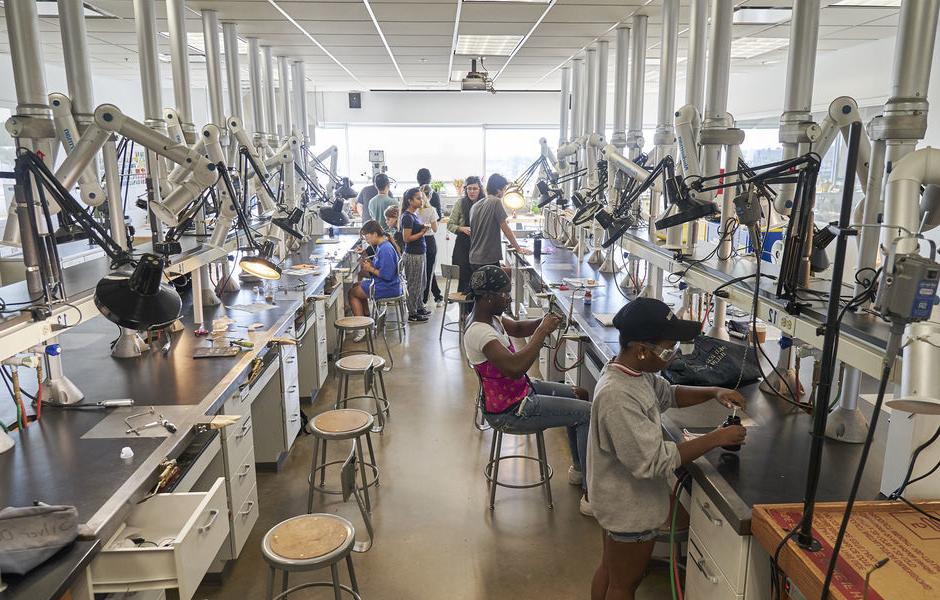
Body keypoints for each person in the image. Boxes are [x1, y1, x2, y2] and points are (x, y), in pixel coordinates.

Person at [589, 298, 747, 600]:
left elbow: (670, 394)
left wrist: (714, 391)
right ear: (641, 350)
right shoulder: (618, 396)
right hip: (629, 508)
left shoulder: (636, 374)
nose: (673, 355)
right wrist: (717, 437)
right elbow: (653, 461)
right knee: (624, 584)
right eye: (668, 348)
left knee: (611, 571)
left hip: (618, 499)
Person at [463, 266, 591, 510]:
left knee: (581, 394)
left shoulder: (489, 317)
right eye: (504, 294)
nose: (508, 298)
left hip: (519, 393)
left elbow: (520, 329)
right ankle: (590, 493)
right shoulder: (480, 332)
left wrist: (544, 321)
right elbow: (515, 367)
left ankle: (579, 470)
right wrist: (542, 333)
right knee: (588, 412)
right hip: (511, 412)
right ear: (488, 296)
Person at [348, 220, 402, 342]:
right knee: (356, 285)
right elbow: (380, 266)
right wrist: (364, 256)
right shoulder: (382, 245)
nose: (366, 240)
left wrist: (370, 268)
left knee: (352, 293)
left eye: (367, 237)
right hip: (387, 284)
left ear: (374, 234)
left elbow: (387, 275)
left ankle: (361, 327)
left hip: (388, 287)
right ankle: (366, 318)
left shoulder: (385, 249)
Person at [469, 173, 531, 274]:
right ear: (498, 190)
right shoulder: (496, 202)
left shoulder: (475, 205)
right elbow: (505, 228)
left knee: (481, 288)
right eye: (504, 188)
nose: (504, 191)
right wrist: (518, 248)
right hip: (487, 259)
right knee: (494, 288)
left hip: (474, 258)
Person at [400, 187, 432, 322]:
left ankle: (419, 307)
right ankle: (412, 313)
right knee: (414, 284)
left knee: (421, 283)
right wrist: (423, 232)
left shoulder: (414, 215)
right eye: (418, 198)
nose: (421, 200)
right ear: (409, 201)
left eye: (421, 198)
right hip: (413, 255)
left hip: (420, 252)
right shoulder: (407, 217)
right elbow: (406, 238)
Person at [448, 175, 482, 295]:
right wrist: (461, 228)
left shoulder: (485, 203)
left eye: (475, 189)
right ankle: (463, 312)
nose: (471, 191)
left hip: (480, 245)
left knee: (479, 280)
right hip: (463, 245)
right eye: (469, 189)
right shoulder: (460, 203)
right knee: (464, 280)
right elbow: (450, 224)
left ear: (480, 189)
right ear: (465, 189)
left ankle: (477, 311)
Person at [418, 184, 444, 307]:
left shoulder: (414, 209)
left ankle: (437, 296)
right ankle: (424, 300)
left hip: (417, 241)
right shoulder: (431, 210)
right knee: (429, 271)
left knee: (424, 271)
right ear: (431, 195)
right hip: (429, 241)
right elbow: (434, 229)